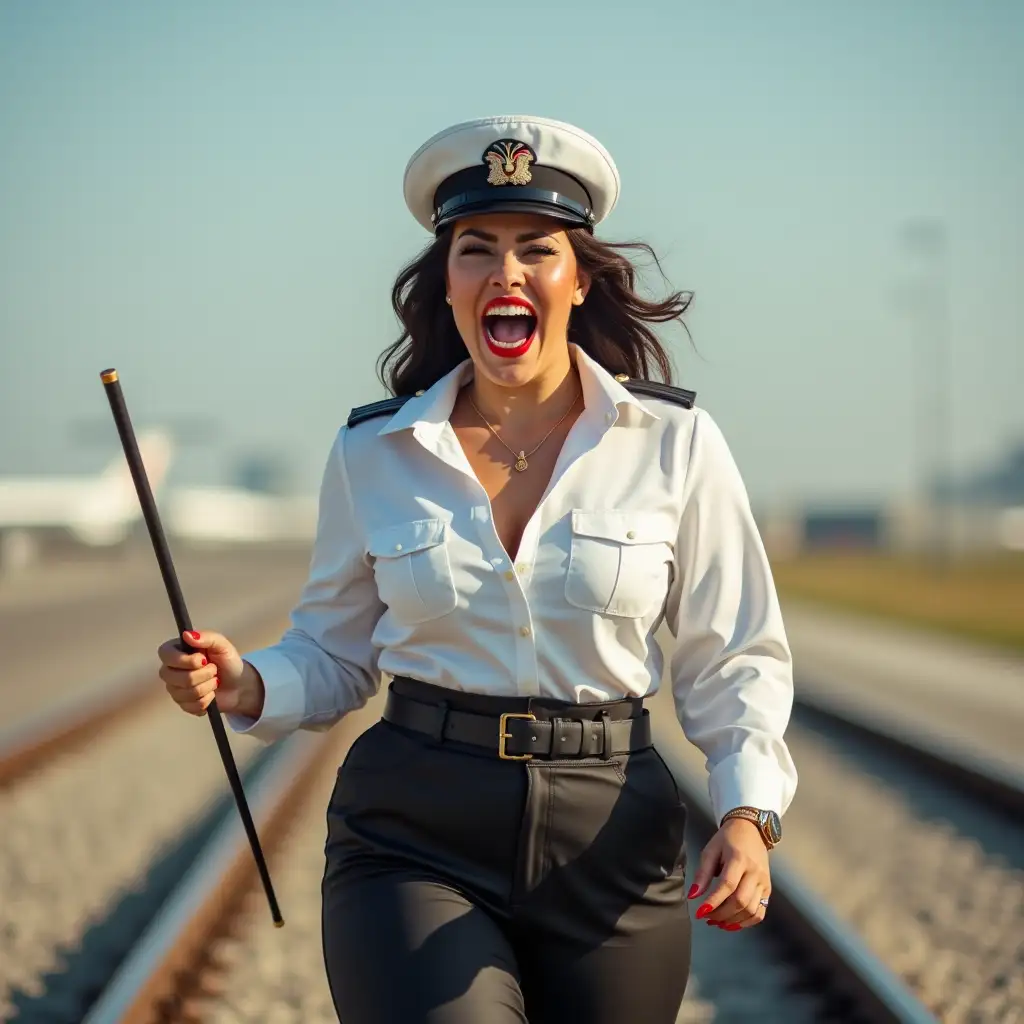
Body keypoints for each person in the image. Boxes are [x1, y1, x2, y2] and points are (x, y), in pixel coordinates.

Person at [157, 114, 797, 1024]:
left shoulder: (675, 443)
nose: (506, 273)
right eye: (476, 249)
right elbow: (338, 654)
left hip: (611, 842)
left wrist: (747, 815)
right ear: (448, 285)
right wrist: (246, 681)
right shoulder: (373, 451)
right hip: (415, 833)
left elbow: (734, 655)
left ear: (578, 280)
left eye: (536, 249)